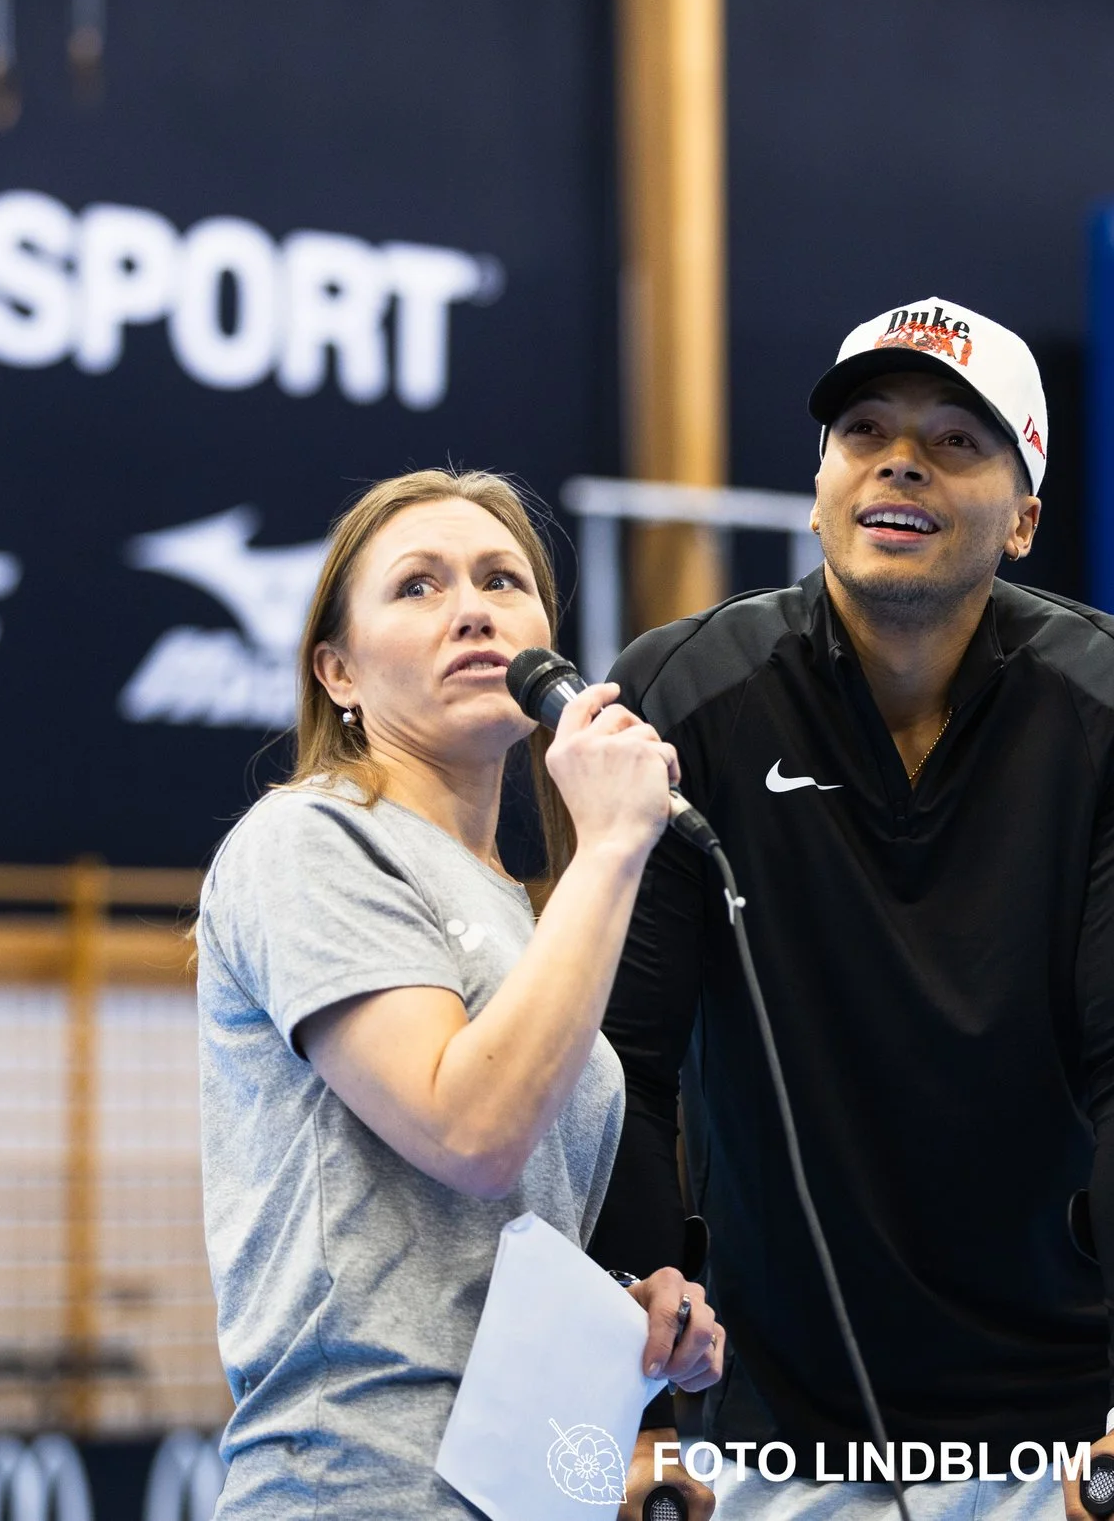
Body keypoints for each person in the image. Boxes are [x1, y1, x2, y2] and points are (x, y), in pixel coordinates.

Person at [591, 299, 1114, 1521]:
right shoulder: (681, 693)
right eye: (864, 430)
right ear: (820, 486)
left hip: (1057, 1423)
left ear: (1025, 516)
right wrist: (633, 1406)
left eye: (954, 440)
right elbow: (625, 1063)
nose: (898, 459)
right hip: (758, 1423)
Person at [196, 469, 728, 1519]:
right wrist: (615, 844)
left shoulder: (528, 917)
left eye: (501, 578)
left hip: (524, 1485)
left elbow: (484, 1241)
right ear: (338, 672)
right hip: (358, 1483)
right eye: (418, 587)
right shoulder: (308, 841)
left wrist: (620, 1327)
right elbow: (472, 1129)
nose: (474, 606)